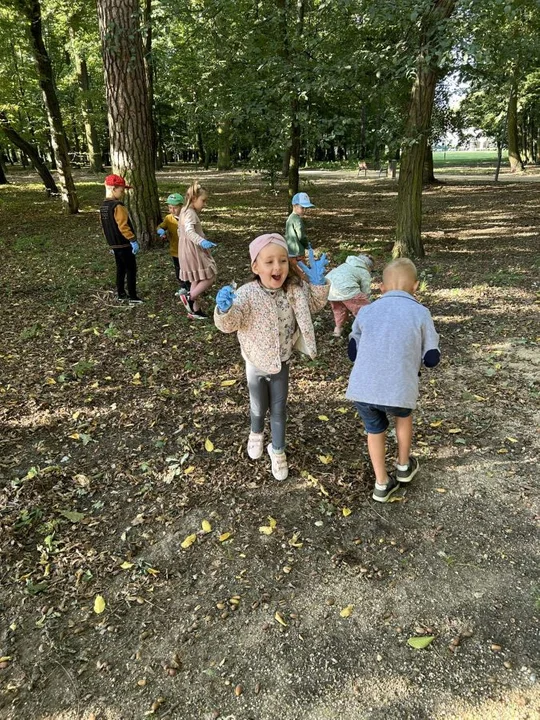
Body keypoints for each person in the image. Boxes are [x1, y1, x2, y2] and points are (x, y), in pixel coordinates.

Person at [214, 235, 329, 481]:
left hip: (281, 362)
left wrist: (318, 284)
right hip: (255, 362)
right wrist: (224, 310)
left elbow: (314, 305)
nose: (277, 267)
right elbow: (230, 324)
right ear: (256, 267)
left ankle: (278, 451)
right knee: (258, 406)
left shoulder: (295, 290)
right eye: (269, 262)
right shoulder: (246, 294)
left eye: (283, 261)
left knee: (278, 409)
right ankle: (256, 432)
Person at [346, 258, 440, 503]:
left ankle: (381, 483)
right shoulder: (421, 313)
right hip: (400, 387)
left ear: (382, 288)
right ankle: (403, 465)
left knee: (374, 431)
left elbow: (353, 346)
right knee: (403, 417)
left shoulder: (367, 311)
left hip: (363, 388)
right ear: (415, 287)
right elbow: (431, 356)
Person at [177, 181, 217, 320]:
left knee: (196, 278)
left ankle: (195, 310)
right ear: (194, 199)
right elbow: (189, 231)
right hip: (192, 250)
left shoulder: (184, 211)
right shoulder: (190, 213)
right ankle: (190, 297)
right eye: (203, 201)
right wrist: (202, 241)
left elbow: (179, 230)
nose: (204, 204)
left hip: (186, 249)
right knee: (211, 275)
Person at [99, 174, 142, 303]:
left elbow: (104, 227)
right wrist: (133, 240)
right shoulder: (118, 206)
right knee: (131, 269)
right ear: (113, 188)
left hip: (114, 245)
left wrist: (110, 244)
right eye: (121, 190)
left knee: (120, 269)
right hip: (124, 244)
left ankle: (121, 294)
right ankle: (133, 296)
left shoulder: (103, 207)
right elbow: (123, 225)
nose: (123, 193)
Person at [326, 254, 374, 337]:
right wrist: (367, 300)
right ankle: (368, 330)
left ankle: (337, 330)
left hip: (331, 289)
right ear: (368, 266)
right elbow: (366, 290)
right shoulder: (364, 271)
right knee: (363, 310)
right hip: (348, 289)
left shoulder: (346, 264)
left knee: (339, 310)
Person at [156, 192, 190, 296]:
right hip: (175, 250)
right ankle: (183, 287)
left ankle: (192, 288)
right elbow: (160, 227)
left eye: (175, 207)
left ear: (181, 206)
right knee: (178, 270)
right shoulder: (168, 218)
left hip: (187, 250)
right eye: (170, 207)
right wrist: (160, 231)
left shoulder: (187, 217)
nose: (172, 210)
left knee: (188, 270)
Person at [285, 192, 315, 273]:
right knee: (301, 272)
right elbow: (301, 236)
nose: (304, 210)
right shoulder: (297, 220)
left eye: (306, 208)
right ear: (294, 206)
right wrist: (307, 245)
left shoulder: (290, 218)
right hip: (298, 253)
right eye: (302, 207)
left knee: (293, 272)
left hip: (290, 251)